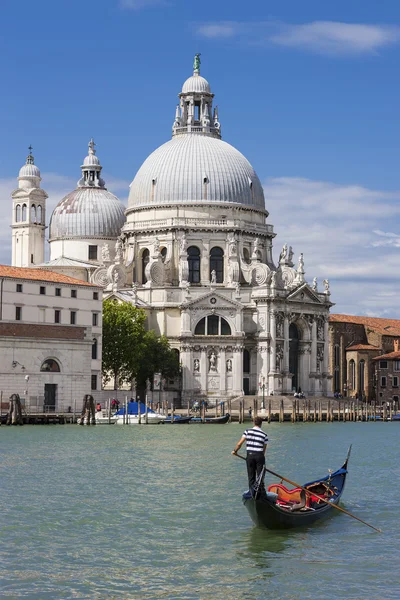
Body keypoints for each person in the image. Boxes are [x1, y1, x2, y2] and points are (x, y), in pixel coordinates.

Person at [232, 416, 268, 494]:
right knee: (260, 477)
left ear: (253, 422)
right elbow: (263, 450)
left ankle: (252, 493)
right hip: (260, 456)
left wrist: (235, 451)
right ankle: (260, 493)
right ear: (261, 424)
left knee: (251, 476)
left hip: (250, 456)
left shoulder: (247, 431)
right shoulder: (265, 435)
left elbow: (239, 444)